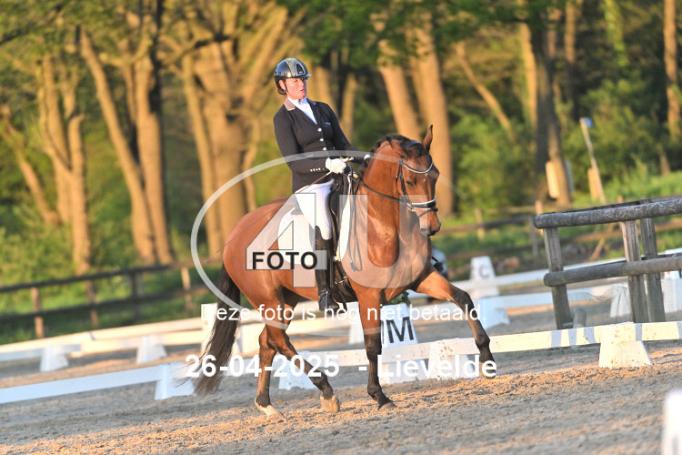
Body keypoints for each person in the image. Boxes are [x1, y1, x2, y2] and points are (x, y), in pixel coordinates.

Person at [273, 57, 357, 313]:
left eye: (302, 80)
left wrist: (366, 159)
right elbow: (294, 162)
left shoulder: (323, 109)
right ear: (282, 85)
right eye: (295, 81)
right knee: (324, 225)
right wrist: (326, 164)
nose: (301, 85)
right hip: (311, 185)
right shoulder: (283, 118)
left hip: (339, 176)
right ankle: (325, 293)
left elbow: (343, 144)